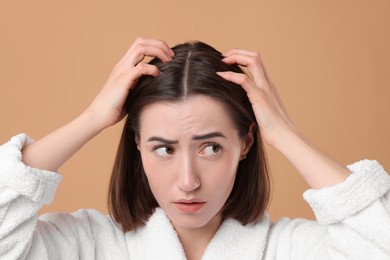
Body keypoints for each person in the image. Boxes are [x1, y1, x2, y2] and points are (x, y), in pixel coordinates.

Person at [0, 37, 389, 260]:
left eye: (211, 149)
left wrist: (285, 133)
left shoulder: (290, 249)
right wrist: (92, 117)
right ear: (137, 145)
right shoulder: (89, 245)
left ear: (246, 143)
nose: (188, 182)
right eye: (164, 149)